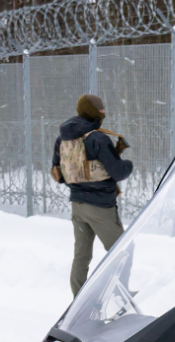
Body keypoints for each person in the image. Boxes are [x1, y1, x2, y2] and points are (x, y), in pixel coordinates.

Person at [52, 93, 133, 295]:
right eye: (101, 110)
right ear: (95, 113)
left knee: (81, 256)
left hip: (77, 206)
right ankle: (117, 296)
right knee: (122, 251)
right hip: (100, 208)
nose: (103, 113)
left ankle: (78, 300)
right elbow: (118, 172)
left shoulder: (63, 139)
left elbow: (59, 174)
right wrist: (128, 164)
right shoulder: (98, 138)